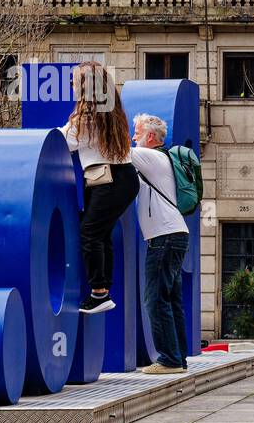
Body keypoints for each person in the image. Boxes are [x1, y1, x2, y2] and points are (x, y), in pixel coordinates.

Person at [59, 62, 139, 313]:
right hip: (122, 178)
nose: (71, 86)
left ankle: (100, 292)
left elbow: (63, 140)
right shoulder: (110, 112)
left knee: (90, 233)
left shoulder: (86, 118)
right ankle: (103, 291)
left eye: (74, 82)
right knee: (101, 233)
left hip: (106, 180)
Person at [131, 113, 189, 374]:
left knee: (155, 298)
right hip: (175, 234)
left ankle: (169, 359)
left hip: (164, 237)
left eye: (137, 132)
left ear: (150, 137)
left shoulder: (151, 157)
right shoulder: (161, 159)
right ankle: (178, 356)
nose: (133, 137)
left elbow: (115, 150)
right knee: (171, 299)